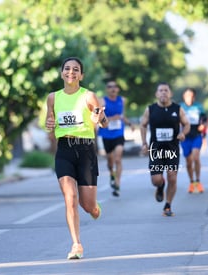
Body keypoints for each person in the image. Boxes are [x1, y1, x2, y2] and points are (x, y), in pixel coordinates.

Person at [45, 57, 108, 259]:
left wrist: (99, 118)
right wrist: (49, 125)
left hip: (86, 150)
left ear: (81, 75)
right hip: (64, 150)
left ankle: (95, 208)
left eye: (75, 70)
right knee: (70, 198)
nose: (70, 72)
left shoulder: (89, 96)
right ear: (62, 72)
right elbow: (50, 122)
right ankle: (76, 244)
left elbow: (103, 122)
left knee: (87, 205)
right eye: (67, 69)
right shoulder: (53, 98)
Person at [140, 83, 190, 216]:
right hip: (155, 150)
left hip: (172, 149)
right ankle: (160, 186)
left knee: (172, 177)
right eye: (160, 90)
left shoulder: (177, 109)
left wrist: (183, 133)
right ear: (156, 94)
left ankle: (167, 205)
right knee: (156, 180)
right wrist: (144, 143)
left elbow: (187, 124)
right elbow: (143, 125)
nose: (163, 93)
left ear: (170, 93)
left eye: (166, 90)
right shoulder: (150, 109)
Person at [98, 79, 134, 197]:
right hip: (106, 134)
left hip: (119, 133)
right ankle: (111, 174)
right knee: (110, 161)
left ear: (118, 89)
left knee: (118, 158)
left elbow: (122, 116)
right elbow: (99, 116)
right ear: (107, 89)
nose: (112, 89)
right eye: (110, 87)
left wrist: (129, 123)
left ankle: (117, 184)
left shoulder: (122, 100)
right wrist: (112, 118)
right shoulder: (102, 101)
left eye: (115, 86)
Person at [180, 88, 208, 194]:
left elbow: (204, 119)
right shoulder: (180, 107)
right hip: (185, 137)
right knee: (188, 161)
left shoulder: (198, 106)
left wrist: (203, 126)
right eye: (187, 95)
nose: (189, 97)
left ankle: (198, 181)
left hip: (196, 135)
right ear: (184, 96)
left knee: (196, 157)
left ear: (194, 97)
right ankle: (191, 182)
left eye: (191, 95)